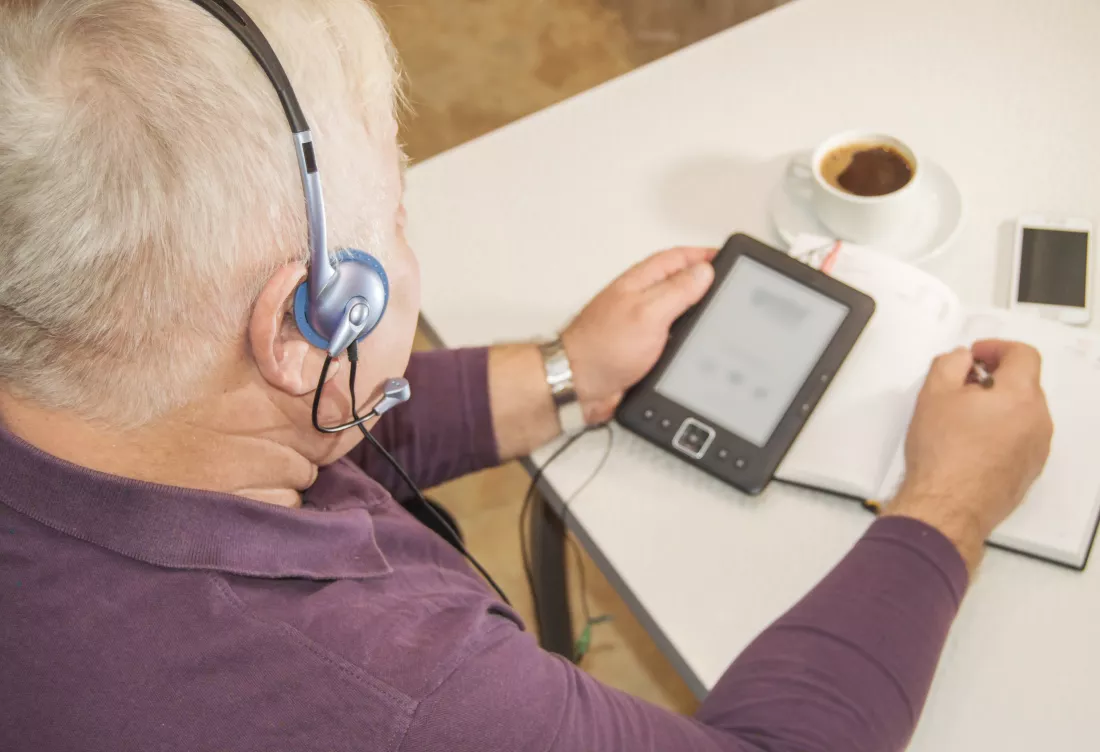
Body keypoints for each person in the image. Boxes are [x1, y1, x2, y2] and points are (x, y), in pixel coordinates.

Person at [0, 1, 1053, 750]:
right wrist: (947, 500)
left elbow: (269, 415)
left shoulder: (89, 388)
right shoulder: (408, 687)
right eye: (398, 211)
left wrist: (568, 373)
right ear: (312, 318)